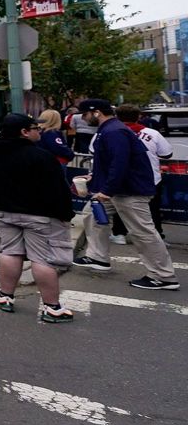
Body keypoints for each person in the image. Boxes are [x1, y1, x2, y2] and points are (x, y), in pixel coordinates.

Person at [0, 113, 75, 322]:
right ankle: (52, 307)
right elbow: (58, 190)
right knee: (42, 259)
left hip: (3, 211)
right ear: (24, 132)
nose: (39, 131)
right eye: (35, 128)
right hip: (39, 216)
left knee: (10, 252)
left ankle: (5, 296)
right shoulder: (42, 157)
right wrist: (65, 215)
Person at [72, 99, 178, 290]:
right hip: (120, 189)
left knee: (143, 232)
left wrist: (107, 189)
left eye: (85, 114)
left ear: (96, 113)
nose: (83, 119)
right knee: (92, 214)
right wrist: (95, 177)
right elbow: (112, 162)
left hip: (129, 190)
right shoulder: (111, 130)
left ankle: (163, 276)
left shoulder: (114, 131)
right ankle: (97, 257)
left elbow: (120, 163)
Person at [117, 103, 173, 238]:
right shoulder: (152, 134)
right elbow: (167, 153)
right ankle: (157, 235)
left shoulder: (108, 132)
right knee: (152, 208)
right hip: (150, 177)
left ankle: (119, 233)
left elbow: (93, 150)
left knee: (120, 208)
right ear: (139, 117)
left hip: (120, 176)